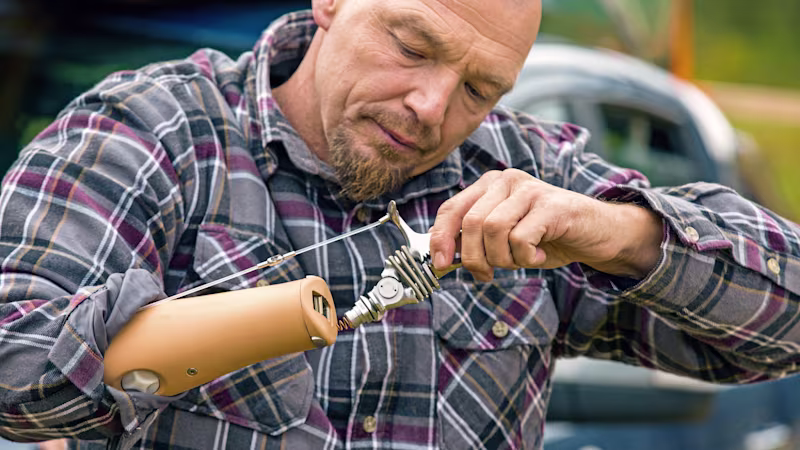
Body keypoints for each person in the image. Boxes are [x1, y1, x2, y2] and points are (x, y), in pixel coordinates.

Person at [0, 0, 798, 448]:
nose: (431, 107)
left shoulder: (529, 175)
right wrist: (255, 314)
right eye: (413, 46)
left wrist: (621, 235)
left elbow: (785, 325)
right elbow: (14, 370)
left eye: (480, 90)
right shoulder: (151, 132)